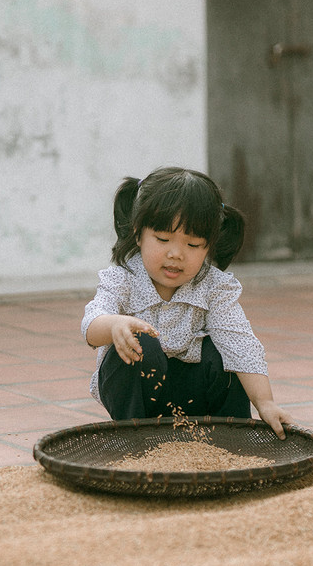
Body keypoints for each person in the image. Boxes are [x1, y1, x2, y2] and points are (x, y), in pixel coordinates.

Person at [81, 166, 294, 438]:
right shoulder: (123, 279)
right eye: (162, 239)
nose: (175, 254)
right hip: (138, 396)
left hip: (192, 396)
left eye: (193, 245)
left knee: (224, 352)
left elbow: (240, 343)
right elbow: (90, 323)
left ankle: (232, 438)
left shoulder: (214, 286)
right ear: (138, 234)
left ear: (209, 246)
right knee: (140, 341)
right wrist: (114, 325)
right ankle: (134, 439)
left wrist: (265, 402)